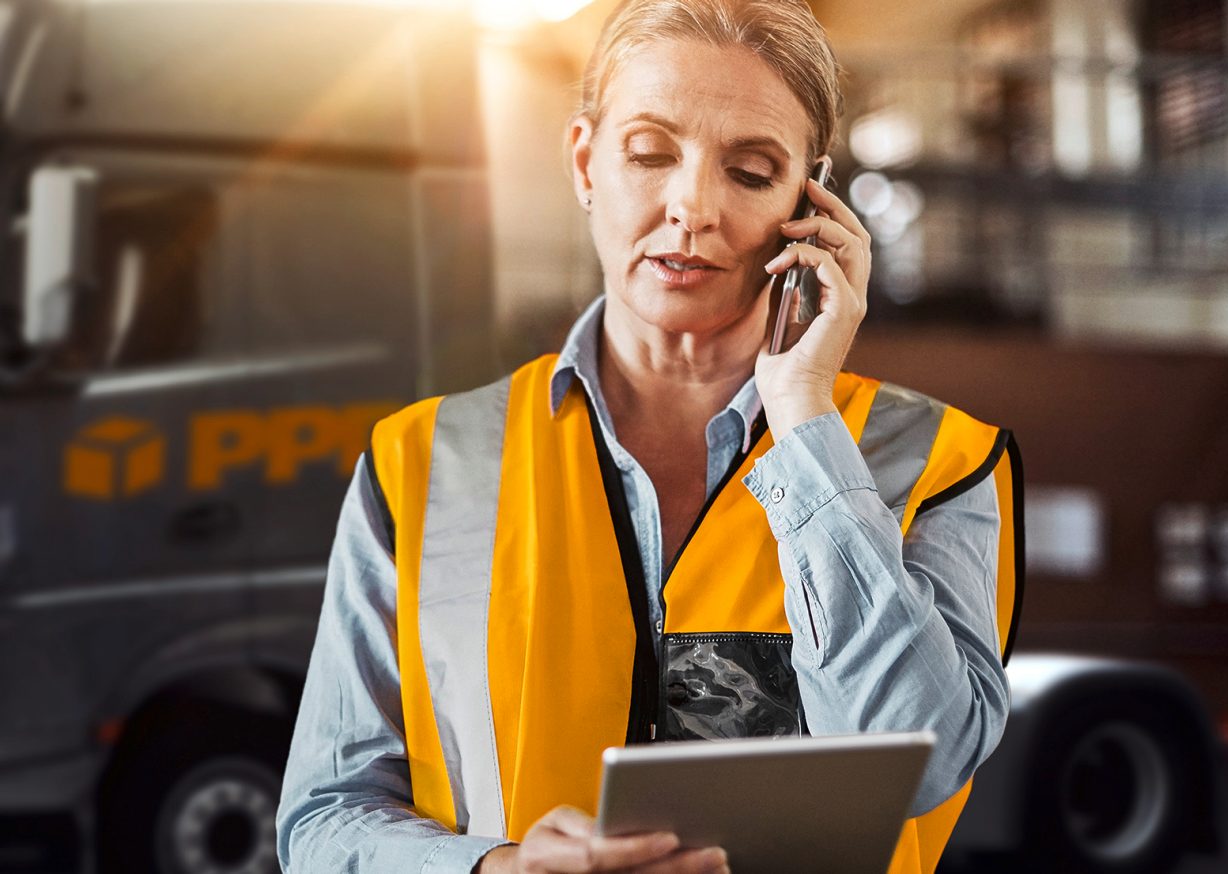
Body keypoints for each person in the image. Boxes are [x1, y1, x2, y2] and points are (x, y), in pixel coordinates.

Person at [276, 1, 1023, 872]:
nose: (692, 207)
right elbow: (325, 818)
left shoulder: (941, 461)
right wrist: (502, 869)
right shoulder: (422, 462)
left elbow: (922, 760)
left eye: (749, 171)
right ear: (586, 160)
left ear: (809, 201)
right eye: (650, 154)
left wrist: (807, 421)